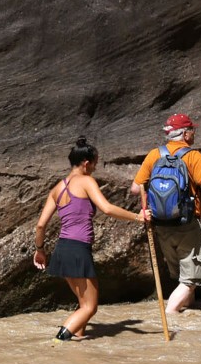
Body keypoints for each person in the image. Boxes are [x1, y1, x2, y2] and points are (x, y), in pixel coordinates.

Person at [34, 138, 151, 341]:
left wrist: (40, 249)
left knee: (82, 305)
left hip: (62, 250)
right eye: (95, 163)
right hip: (78, 249)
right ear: (86, 163)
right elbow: (106, 208)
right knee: (90, 307)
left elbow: (40, 225)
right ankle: (58, 341)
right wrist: (138, 217)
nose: (95, 168)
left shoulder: (57, 188)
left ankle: (78, 345)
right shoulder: (87, 181)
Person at [130, 113, 201, 314]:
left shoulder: (154, 155)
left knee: (182, 277)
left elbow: (135, 188)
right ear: (184, 134)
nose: (194, 133)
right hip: (186, 225)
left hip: (161, 224)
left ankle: (188, 310)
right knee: (190, 281)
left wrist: (148, 203)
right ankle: (170, 317)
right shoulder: (192, 156)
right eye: (192, 130)